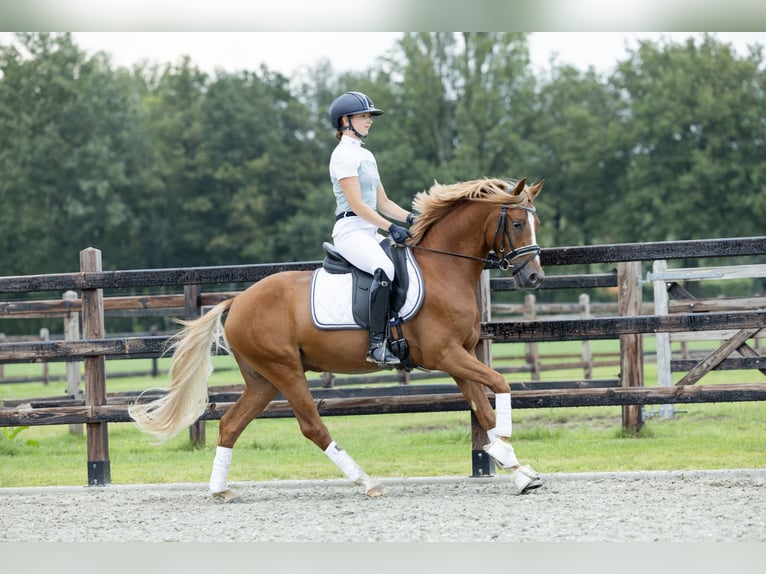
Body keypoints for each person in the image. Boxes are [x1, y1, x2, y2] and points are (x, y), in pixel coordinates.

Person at [327, 91, 417, 366]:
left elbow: (383, 202)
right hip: (350, 230)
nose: (369, 121)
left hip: (368, 230)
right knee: (385, 269)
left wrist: (412, 219)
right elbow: (359, 206)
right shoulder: (342, 155)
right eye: (364, 116)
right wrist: (391, 228)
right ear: (345, 121)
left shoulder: (366, 155)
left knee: (407, 263)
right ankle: (376, 345)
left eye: (369, 116)